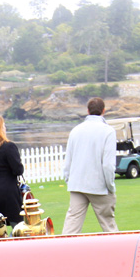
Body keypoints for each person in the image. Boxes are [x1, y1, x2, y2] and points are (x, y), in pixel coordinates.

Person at [61, 97, 118, 234]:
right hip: (99, 186)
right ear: (104, 111)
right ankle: (119, 253)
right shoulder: (108, 131)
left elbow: (68, 160)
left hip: (77, 184)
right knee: (108, 225)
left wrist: (69, 179)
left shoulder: (76, 130)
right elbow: (108, 165)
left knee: (71, 226)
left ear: (87, 111)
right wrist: (110, 186)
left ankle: (61, 253)